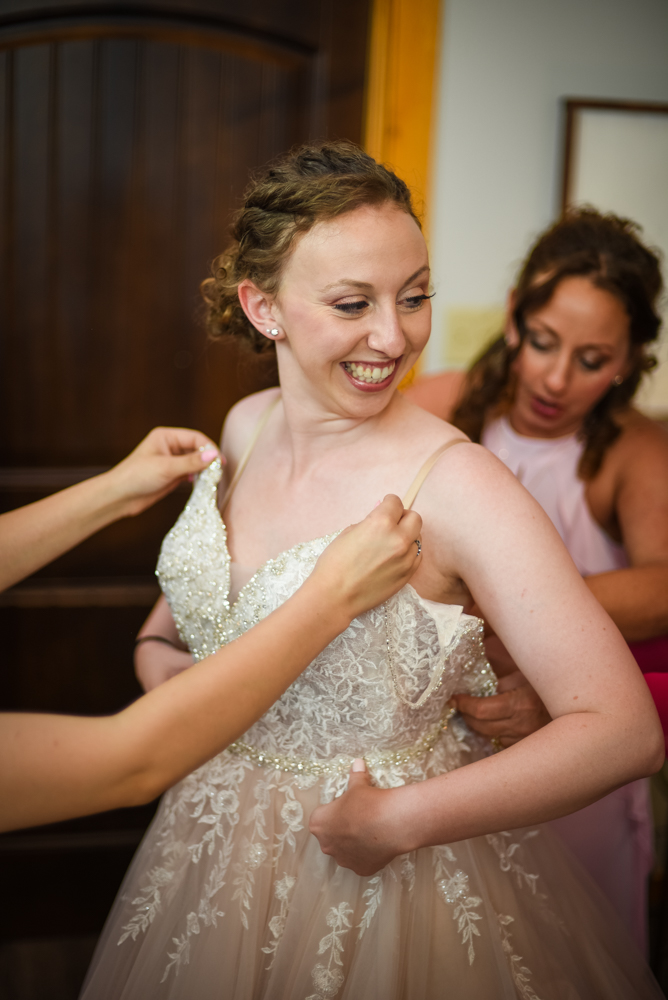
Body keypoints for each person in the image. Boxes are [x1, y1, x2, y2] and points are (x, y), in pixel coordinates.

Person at [81, 143, 663, 999]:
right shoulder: (245, 425)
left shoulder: (458, 485)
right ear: (263, 306)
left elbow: (624, 730)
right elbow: (186, 626)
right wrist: (160, 668)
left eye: (415, 297)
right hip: (207, 845)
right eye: (354, 302)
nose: (395, 338)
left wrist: (398, 819)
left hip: (391, 879)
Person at [407, 209, 668, 951]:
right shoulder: (443, 407)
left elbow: (663, 588)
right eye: (544, 343)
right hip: (442, 743)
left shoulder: (632, 450)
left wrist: (509, 601)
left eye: (592, 359)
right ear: (516, 316)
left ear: (630, 360)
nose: (555, 379)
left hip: (570, 759)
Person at [0, 427, 422, 831]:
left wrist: (117, 490)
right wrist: (333, 596)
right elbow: (133, 763)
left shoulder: (441, 467)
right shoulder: (250, 424)